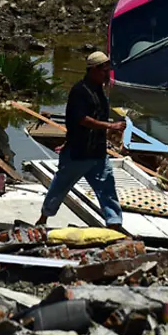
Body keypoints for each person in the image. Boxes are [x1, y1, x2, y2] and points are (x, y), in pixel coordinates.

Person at [36, 51, 125, 230]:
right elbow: (82, 119)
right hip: (78, 152)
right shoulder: (80, 91)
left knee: (107, 189)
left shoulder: (100, 90)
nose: (107, 75)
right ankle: (44, 218)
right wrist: (110, 126)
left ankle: (114, 225)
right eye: (104, 71)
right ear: (93, 70)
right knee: (60, 187)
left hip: (98, 153)